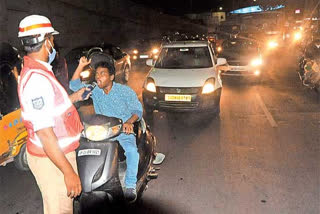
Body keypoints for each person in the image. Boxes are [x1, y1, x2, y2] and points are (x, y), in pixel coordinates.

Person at [17, 14, 91, 214]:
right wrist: (68, 172)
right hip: (52, 160)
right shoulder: (36, 80)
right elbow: (45, 133)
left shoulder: (40, 71)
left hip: (55, 155)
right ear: (46, 41)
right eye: (52, 38)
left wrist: (74, 97)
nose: (54, 43)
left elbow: (52, 110)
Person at [70, 54, 142, 203]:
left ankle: (130, 186)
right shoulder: (94, 90)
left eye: (102, 74)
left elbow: (137, 110)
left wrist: (129, 122)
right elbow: (74, 86)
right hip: (102, 131)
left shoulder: (125, 91)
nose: (98, 77)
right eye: (96, 74)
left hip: (122, 130)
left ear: (112, 76)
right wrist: (80, 66)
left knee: (131, 151)